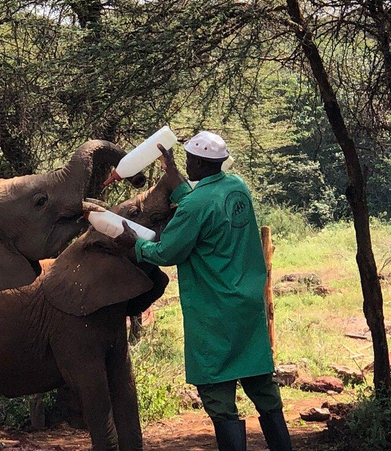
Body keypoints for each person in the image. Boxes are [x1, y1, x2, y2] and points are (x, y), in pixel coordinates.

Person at [114, 131, 293, 451]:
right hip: (247, 309)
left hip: (214, 314)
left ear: (197, 162)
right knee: (264, 390)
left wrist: (135, 243)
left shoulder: (195, 205)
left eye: (188, 160)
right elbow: (207, 207)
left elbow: (166, 252)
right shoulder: (237, 188)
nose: (186, 163)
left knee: (218, 395)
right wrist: (173, 174)